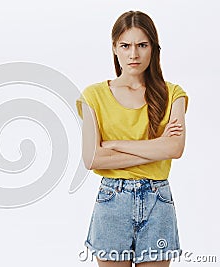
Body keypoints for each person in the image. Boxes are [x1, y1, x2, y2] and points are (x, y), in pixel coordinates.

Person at [76, 11, 189, 267]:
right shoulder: (94, 95)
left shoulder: (173, 93)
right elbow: (92, 157)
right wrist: (155, 148)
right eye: (125, 45)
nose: (133, 54)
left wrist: (115, 144)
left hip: (158, 201)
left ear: (153, 48)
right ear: (115, 48)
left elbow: (175, 147)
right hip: (113, 200)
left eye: (142, 45)